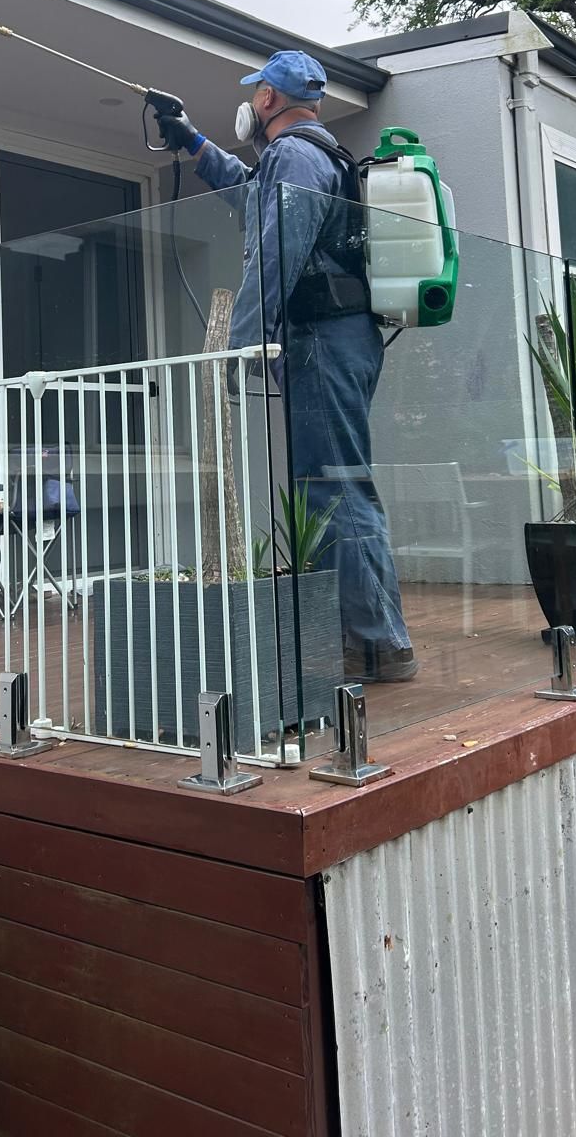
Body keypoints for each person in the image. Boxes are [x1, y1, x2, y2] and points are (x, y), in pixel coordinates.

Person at [157, 49, 418, 684]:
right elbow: (255, 203)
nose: (249, 103)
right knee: (329, 485)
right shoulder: (308, 153)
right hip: (332, 338)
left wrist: (239, 346)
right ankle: (366, 635)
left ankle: (380, 644)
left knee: (336, 488)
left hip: (324, 340)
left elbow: (275, 256)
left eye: (254, 94)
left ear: (268, 100)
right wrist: (192, 142)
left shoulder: (295, 157)